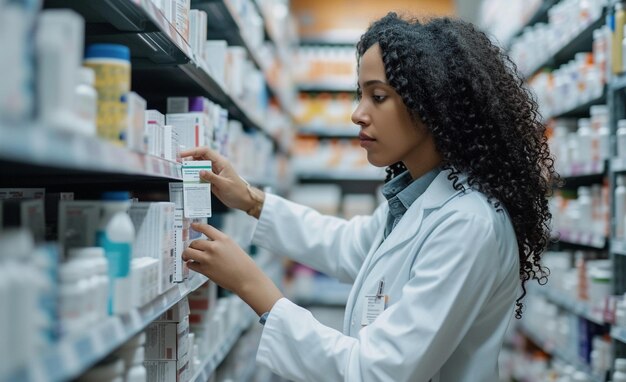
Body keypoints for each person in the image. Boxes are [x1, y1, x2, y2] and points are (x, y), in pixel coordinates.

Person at [180, 12, 555, 382]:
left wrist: (250, 285)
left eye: (378, 96)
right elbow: (346, 245)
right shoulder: (418, 198)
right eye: (361, 95)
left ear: (432, 103)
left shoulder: (468, 224)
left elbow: (376, 372)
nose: (358, 114)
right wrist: (249, 198)